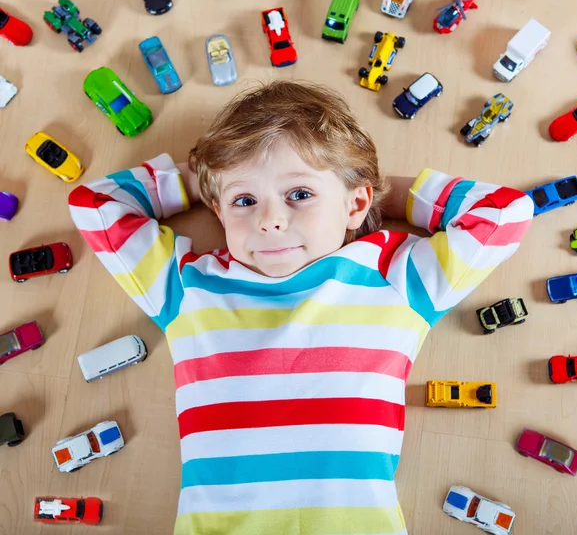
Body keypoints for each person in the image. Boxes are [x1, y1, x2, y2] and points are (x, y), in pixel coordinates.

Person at [68, 81, 533, 535]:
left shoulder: (394, 277)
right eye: (244, 200)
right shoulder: (188, 286)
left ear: (356, 202)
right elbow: (94, 204)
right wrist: (203, 176)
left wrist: (384, 192)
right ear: (218, 210)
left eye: (300, 193)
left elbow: (505, 213)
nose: (270, 219)